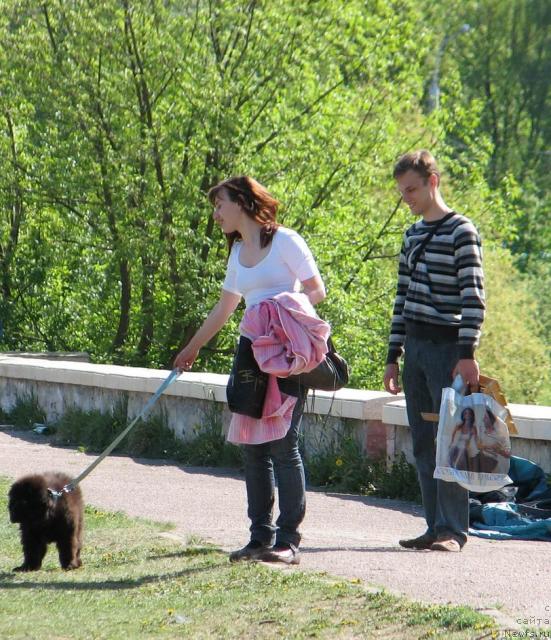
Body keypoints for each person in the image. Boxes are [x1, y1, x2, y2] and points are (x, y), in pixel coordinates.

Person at [174, 176, 326, 566]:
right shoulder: (238, 252)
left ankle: (289, 539)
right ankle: (260, 537)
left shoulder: (286, 240)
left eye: (220, 204)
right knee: (253, 448)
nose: (216, 213)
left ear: (241, 202)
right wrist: (192, 348)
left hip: (286, 351)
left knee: (283, 445)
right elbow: (225, 309)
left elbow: (315, 290)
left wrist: (277, 313)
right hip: (251, 354)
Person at [383, 150, 485, 552]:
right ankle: (433, 526)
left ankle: (454, 530)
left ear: (432, 182)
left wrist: (467, 353)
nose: (407, 197)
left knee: (453, 440)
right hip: (416, 349)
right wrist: (393, 355)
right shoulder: (411, 235)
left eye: (412, 189)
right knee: (424, 441)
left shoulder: (462, 230)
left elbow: (473, 297)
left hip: (448, 349)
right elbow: (401, 299)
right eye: (402, 191)